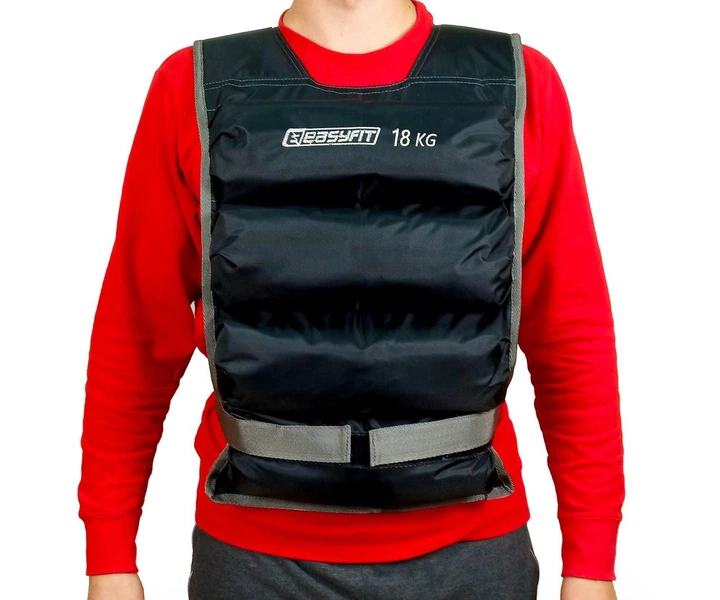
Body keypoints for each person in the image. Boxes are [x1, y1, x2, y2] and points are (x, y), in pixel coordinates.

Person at [78, 1, 625, 599]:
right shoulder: (192, 88)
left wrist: (591, 561)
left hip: (472, 556)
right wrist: (109, 552)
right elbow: (136, 337)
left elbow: (571, 335)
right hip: (255, 561)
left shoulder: (518, 85)